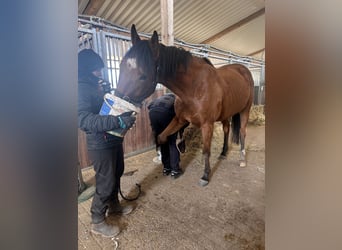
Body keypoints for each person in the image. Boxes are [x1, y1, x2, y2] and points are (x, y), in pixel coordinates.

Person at [78, 49, 136, 237]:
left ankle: (114, 206)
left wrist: (108, 93)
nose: (100, 74)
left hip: (112, 138)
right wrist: (117, 122)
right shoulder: (79, 88)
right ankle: (97, 220)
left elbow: (103, 108)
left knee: (117, 171)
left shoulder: (94, 84)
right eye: (97, 70)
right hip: (99, 143)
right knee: (105, 181)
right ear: (86, 70)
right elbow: (84, 119)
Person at [148, 93, 188, 179]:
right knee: (172, 142)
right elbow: (182, 119)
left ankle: (166, 168)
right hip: (166, 114)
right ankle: (175, 170)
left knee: (163, 141)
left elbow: (149, 106)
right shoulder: (179, 99)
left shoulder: (163, 96)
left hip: (152, 113)